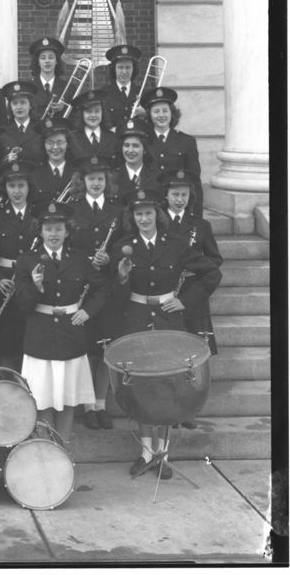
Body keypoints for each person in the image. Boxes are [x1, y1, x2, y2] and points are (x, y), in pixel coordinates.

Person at [111, 189, 221, 479]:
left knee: (167, 386)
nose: (144, 218)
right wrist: (122, 277)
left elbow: (212, 273)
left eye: (148, 213)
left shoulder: (177, 244)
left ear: (157, 215)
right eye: (138, 214)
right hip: (135, 320)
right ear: (132, 218)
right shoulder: (124, 245)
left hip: (167, 319)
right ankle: (146, 452)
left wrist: (185, 300)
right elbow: (112, 291)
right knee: (140, 387)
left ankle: (163, 454)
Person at [14, 202, 107, 449]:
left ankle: (63, 450)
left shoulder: (79, 260)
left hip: (70, 337)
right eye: (48, 229)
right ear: (40, 232)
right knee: (42, 400)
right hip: (40, 338)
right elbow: (22, 305)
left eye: (58, 229)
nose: (53, 234)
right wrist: (36, 287)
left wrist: (87, 311)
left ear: (67, 231)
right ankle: (47, 450)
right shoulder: (26, 261)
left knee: (67, 400)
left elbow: (102, 289)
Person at [68, 154, 124, 431]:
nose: (96, 184)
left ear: (106, 182)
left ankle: (101, 404)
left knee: (104, 349)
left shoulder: (117, 210)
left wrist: (109, 260)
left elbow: (125, 244)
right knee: (87, 350)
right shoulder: (74, 209)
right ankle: (88, 405)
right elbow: (70, 247)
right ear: (83, 182)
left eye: (100, 179)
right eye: (91, 179)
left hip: (107, 287)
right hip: (82, 286)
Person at [0, 159, 40, 371]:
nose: (17, 191)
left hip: (31, 280)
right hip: (4, 282)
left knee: (27, 335)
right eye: (11, 186)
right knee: (3, 341)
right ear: (4, 188)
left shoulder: (38, 215)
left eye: (21, 185)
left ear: (29, 187)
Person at [162, 168, 224, 367]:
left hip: (193, 291)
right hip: (165, 288)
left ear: (190, 197)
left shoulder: (201, 225)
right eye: (175, 194)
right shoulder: (157, 221)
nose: (179, 199)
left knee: (195, 344)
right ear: (166, 195)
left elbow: (215, 259)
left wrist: (198, 268)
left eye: (184, 195)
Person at [142, 86, 202, 214]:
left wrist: (196, 216)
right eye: (156, 111)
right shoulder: (142, 142)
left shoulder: (187, 141)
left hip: (176, 207)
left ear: (172, 113)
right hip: (149, 207)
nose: (161, 115)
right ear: (149, 115)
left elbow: (194, 181)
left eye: (165, 111)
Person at [30, 117, 79, 212]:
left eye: (59, 142)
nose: (55, 147)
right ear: (43, 145)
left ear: (68, 143)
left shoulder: (78, 171)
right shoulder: (33, 174)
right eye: (50, 143)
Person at [113, 118, 161, 201]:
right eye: (126, 145)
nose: (130, 150)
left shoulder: (157, 177)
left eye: (135, 146)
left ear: (145, 149)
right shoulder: (112, 177)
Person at [100, 44, 144, 130]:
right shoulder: (104, 93)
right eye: (120, 67)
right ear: (114, 69)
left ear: (133, 69)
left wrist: (144, 114)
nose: (124, 71)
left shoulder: (142, 92)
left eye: (128, 67)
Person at [1, 81, 45, 164]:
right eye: (14, 103)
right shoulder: (3, 131)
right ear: (10, 106)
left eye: (23, 102)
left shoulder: (40, 129)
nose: (19, 107)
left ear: (30, 105)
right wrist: (7, 159)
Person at [67, 89, 119, 161]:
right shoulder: (72, 138)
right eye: (89, 111)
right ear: (82, 114)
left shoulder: (113, 137)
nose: (93, 115)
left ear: (102, 113)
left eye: (97, 111)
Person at [28, 36, 68, 120]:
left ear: (57, 61)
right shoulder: (28, 88)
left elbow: (74, 117)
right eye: (43, 58)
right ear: (37, 62)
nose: (47, 61)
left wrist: (63, 109)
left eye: (51, 57)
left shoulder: (68, 88)